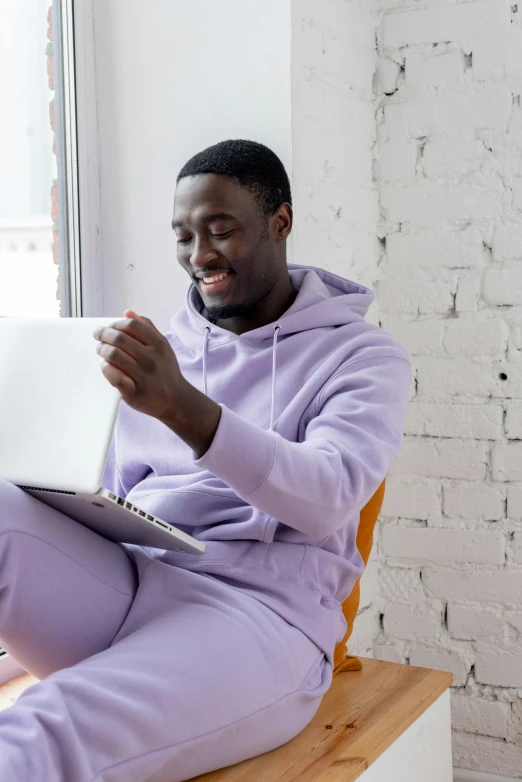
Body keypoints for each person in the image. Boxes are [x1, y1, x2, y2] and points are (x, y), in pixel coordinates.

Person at [0, 139, 410, 781]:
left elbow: (330, 495)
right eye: (183, 236)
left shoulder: (363, 357)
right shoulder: (164, 348)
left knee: (37, 731)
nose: (199, 256)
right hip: (133, 582)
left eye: (221, 231)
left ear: (281, 221)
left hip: (261, 619)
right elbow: (112, 492)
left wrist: (182, 407)